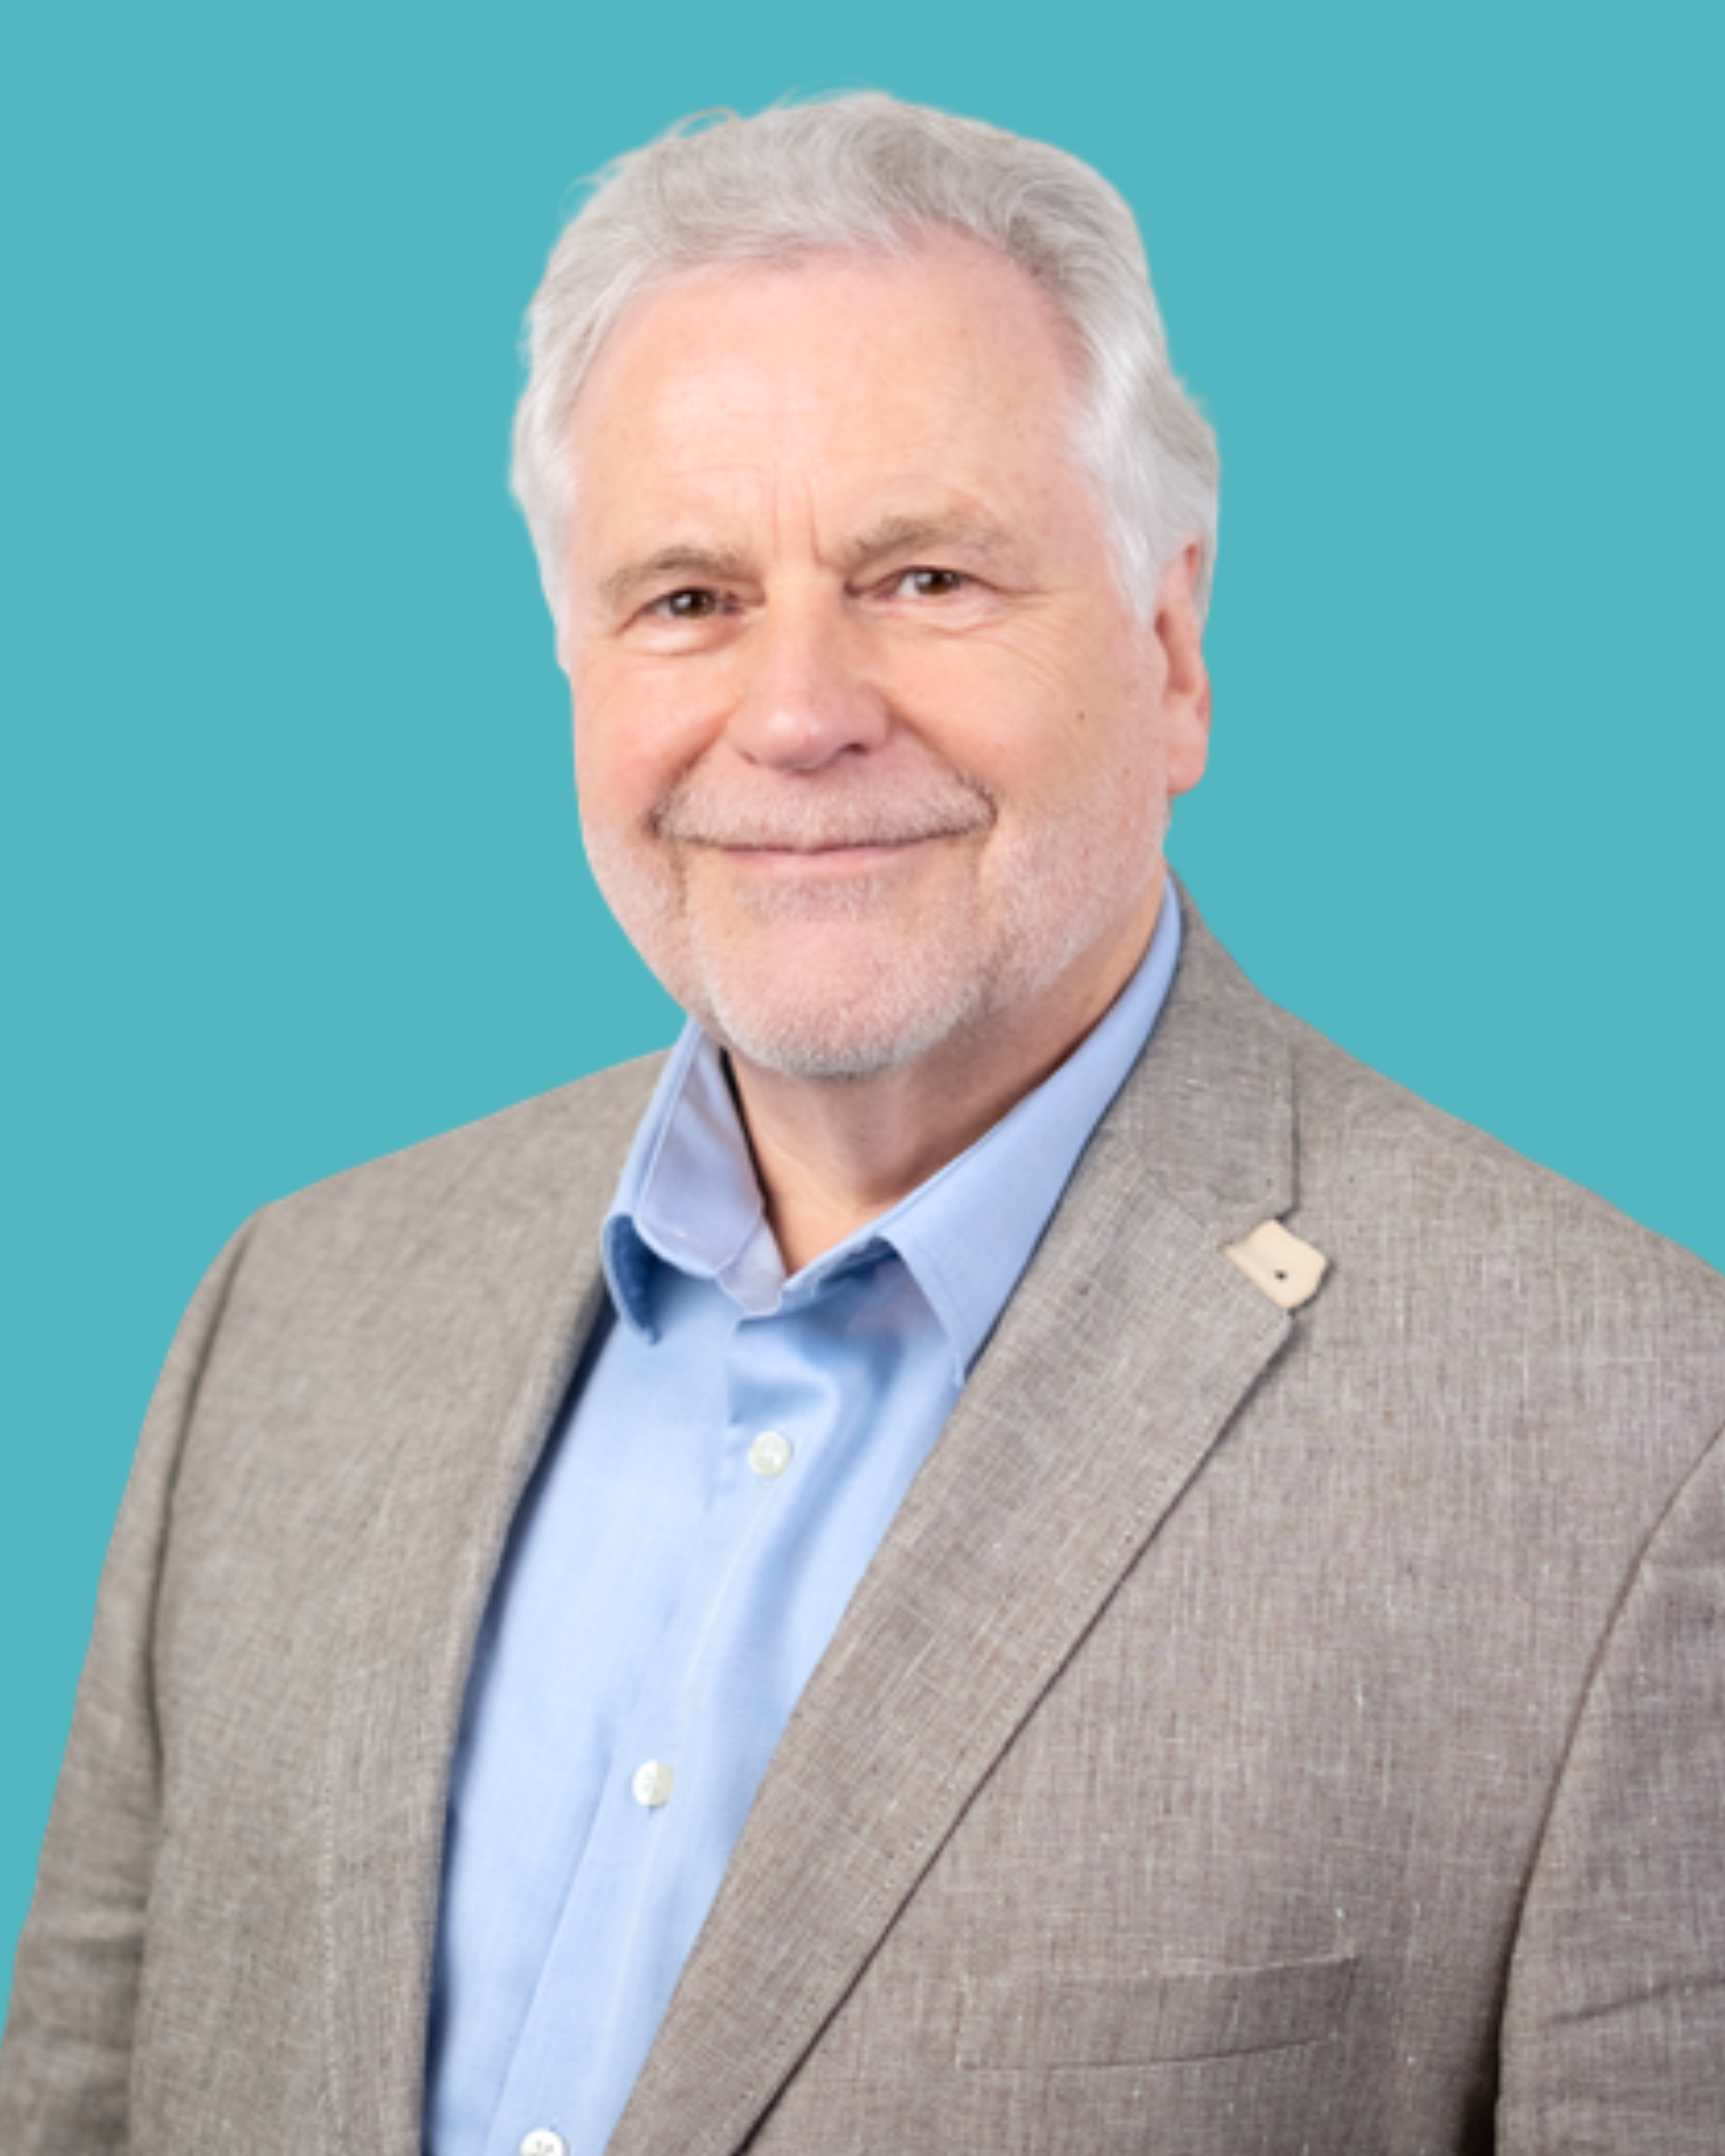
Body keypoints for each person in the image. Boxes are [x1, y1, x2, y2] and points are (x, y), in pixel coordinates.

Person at [2, 92, 1721, 2156]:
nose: (800, 712)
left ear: (1171, 649)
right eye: (688, 600)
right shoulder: (287, 1315)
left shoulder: (1636, 1443)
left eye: (923, 575)